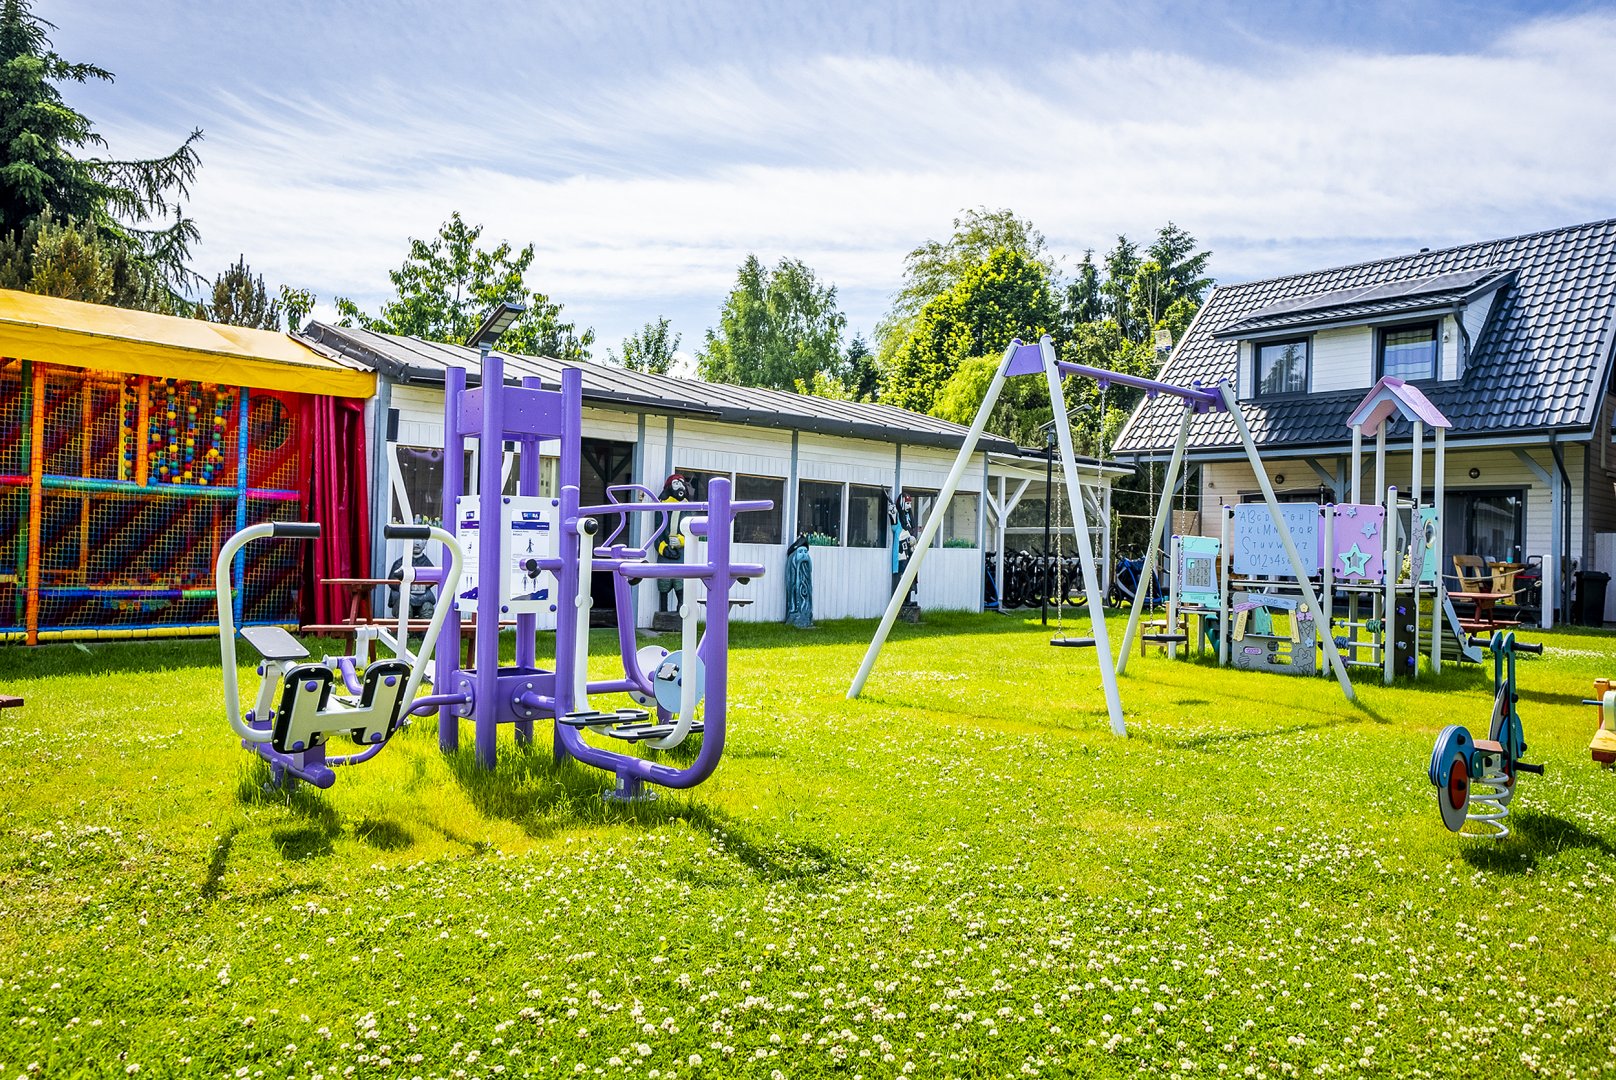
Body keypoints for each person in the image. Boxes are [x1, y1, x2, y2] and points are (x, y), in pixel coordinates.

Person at [655, 473, 691, 616]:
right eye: (676, 483)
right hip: (665, 554)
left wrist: (682, 541)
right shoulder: (661, 507)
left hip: (681, 555)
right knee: (663, 585)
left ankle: (680, 613)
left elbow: (692, 532)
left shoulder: (687, 507)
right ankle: (662, 614)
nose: (680, 486)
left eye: (682, 483)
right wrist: (663, 548)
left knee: (680, 584)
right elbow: (657, 532)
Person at [388, 538, 437, 618]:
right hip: (404, 596)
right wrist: (405, 585)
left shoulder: (427, 563)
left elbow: (433, 578)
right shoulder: (399, 563)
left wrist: (423, 585)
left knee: (427, 609)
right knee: (404, 608)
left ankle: (426, 627)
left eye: (421, 539)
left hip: (423, 598)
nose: (417, 543)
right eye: (414, 539)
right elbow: (392, 581)